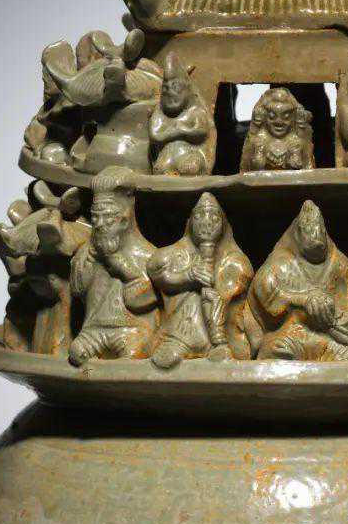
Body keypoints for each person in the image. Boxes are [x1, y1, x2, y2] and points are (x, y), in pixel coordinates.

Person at [244, 200, 348, 361]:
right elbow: (268, 299)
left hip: (332, 334)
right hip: (295, 332)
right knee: (274, 349)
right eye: (308, 231)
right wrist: (302, 300)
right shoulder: (280, 264)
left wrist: (334, 313)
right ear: (298, 234)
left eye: (320, 231)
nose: (315, 236)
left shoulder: (339, 263)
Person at [147, 193, 252, 369]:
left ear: (223, 225)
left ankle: (218, 345)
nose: (207, 223)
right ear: (190, 223)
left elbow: (238, 282)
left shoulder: (234, 260)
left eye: (214, 217)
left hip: (214, 334)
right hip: (179, 332)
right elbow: (156, 269)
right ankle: (176, 347)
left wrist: (217, 285)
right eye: (199, 216)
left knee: (214, 298)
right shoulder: (175, 254)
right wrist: (187, 276)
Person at [68, 171, 158, 365]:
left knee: (132, 357)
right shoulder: (88, 253)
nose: (100, 225)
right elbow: (77, 290)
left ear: (124, 220)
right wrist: (84, 264)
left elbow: (144, 299)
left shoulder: (147, 255)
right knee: (76, 353)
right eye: (95, 218)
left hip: (132, 330)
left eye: (108, 218)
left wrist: (125, 270)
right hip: (93, 330)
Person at [149, 53, 215, 175]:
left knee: (191, 167)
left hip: (188, 153)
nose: (170, 93)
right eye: (166, 89)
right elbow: (155, 135)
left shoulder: (195, 111)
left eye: (175, 87)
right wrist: (179, 132)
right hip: (168, 156)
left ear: (187, 90)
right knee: (160, 169)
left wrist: (177, 131)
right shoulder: (160, 114)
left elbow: (201, 131)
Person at [240, 87, 314, 171]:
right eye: (272, 117)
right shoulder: (257, 142)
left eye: (286, 117)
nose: (279, 122)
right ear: (264, 117)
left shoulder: (298, 144)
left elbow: (309, 170)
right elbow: (245, 170)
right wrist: (257, 160)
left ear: (294, 118)